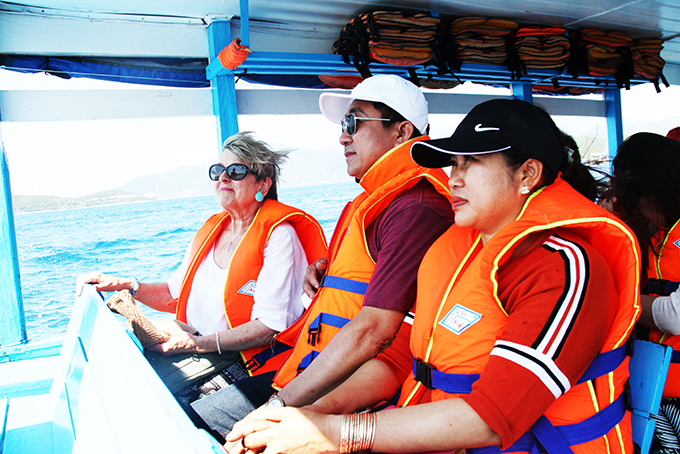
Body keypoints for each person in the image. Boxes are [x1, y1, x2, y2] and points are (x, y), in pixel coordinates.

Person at [226, 99, 641, 454]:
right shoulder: (453, 253)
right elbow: (395, 360)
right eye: (453, 163)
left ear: (527, 174)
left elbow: (494, 417)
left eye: (472, 162)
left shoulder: (565, 267)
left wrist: (335, 434)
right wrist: (299, 413)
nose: (453, 178)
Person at [191, 74, 453, 438]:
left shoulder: (416, 208)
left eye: (354, 122)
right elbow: (368, 277)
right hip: (314, 366)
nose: (343, 136)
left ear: (402, 131)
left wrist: (279, 407)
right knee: (192, 415)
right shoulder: (384, 200)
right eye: (343, 125)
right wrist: (327, 272)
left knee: (198, 423)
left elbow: (376, 332)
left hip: (350, 380)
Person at [76, 130, 328, 380]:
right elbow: (172, 294)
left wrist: (196, 345)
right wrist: (127, 285)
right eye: (218, 171)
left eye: (236, 171)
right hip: (203, 352)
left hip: (248, 364)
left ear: (262, 184)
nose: (223, 178)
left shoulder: (279, 236)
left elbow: (270, 327)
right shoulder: (211, 231)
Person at [609, 132, 680, 452]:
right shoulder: (659, 235)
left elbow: (675, 316)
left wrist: (619, 302)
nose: (638, 211)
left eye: (639, 203)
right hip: (655, 392)